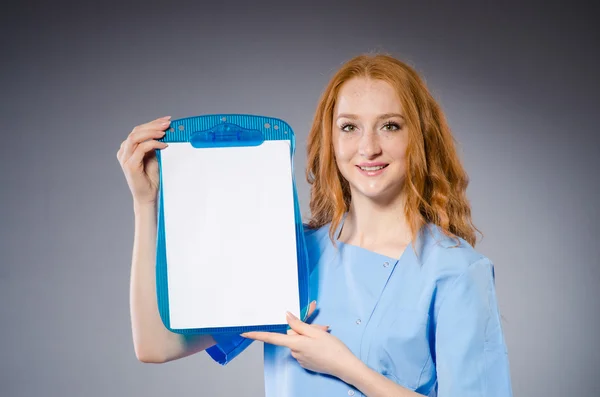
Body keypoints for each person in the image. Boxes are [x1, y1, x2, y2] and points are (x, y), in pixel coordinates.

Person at [117, 54, 513, 397]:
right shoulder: (289, 256)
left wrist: (347, 367)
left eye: (390, 125)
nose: (368, 147)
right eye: (349, 127)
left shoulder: (457, 273)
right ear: (331, 140)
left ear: (420, 138)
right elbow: (155, 345)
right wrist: (145, 202)